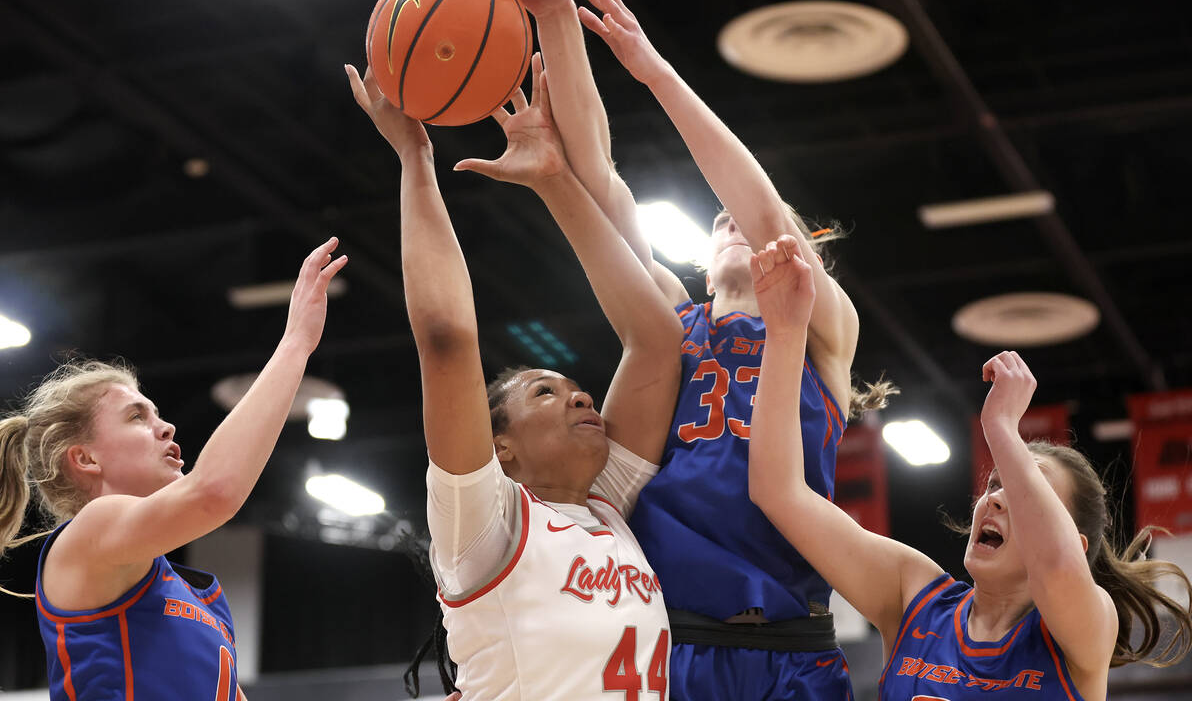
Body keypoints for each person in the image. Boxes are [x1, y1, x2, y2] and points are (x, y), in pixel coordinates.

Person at [456, 0, 889, 698]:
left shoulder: (824, 328)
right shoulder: (673, 324)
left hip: (788, 643)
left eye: (755, 221)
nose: (733, 221)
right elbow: (596, 173)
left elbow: (756, 206)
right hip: (669, 642)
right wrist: (555, 18)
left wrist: (655, 71)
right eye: (718, 219)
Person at [346, 51, 682, 699]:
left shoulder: (606, 508)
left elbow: (657, 342)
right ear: (502, 447)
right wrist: (416, 160)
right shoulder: (488, 521)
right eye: (544, 393)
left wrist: (555, 177)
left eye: (571, 386)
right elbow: (447, 339)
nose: (579, 393)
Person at [746, 234, 1192, 701]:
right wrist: (784, 334)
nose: (996, 497)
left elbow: (1058, 566)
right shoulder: (913, 593)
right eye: (994, 482)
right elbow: (778, 491)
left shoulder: (1086, 630)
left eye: (1025, 488)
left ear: (1079, 544)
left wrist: (1001, 428)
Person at [0, 238, 347, 701]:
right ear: (85, 458)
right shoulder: (90, 533)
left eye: (157, 413)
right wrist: (296, 344)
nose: (165, 427)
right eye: (137, 416)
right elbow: (215, 492)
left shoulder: (194, 596)